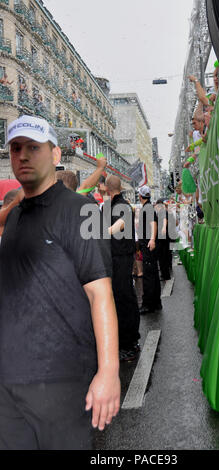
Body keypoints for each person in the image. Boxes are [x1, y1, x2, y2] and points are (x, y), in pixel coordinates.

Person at [0, 115, 120, 450]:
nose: (22, 156)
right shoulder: (14, 217)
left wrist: (109, 372)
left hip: (61, 381)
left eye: (34, 148)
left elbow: (101, 294)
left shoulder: (84, 211)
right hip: (8, 384)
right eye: (16, 148)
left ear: (55, 156)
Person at [105, 175, 140, 361]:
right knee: (119, 299)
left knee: (125, 297)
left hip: (121, 259)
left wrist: (106, 231)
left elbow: (121, 223)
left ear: (107, 189)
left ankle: (130, 344)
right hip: (114, 258)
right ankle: (124, 341)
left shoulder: (122, 206)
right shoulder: (108, 207)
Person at [138, 185, 162, 314]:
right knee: (153, 274)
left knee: (148, 275)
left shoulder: (147, 209)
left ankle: (148, 304)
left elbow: (153, 224)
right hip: (149, 244)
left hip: (148, 245)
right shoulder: (148, 208)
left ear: (140, 196)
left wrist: (152, 239)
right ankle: (156, 302)